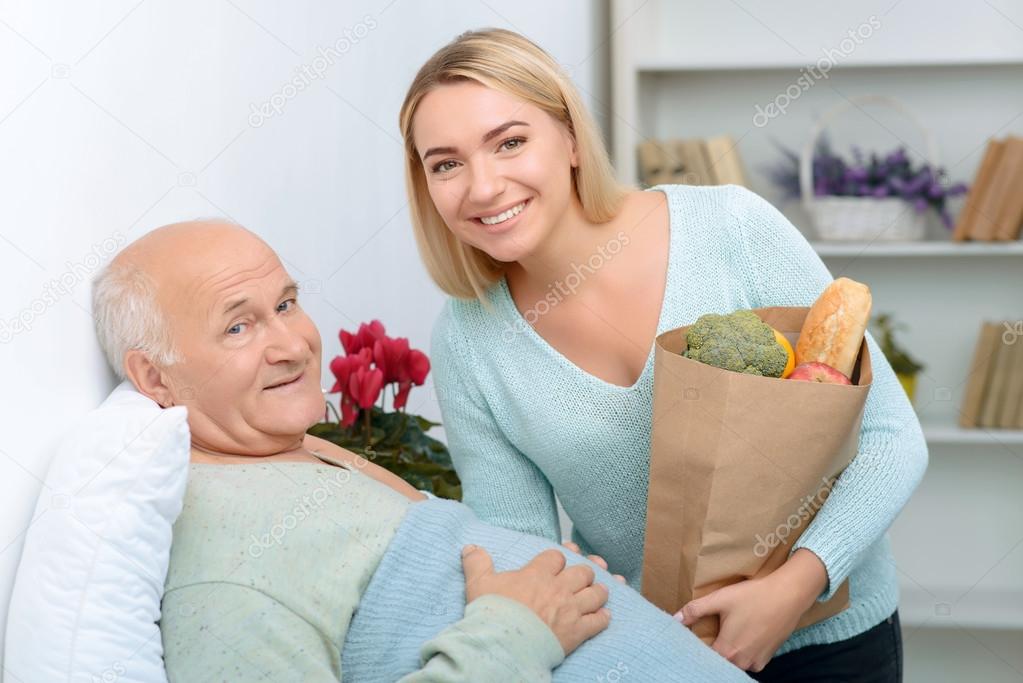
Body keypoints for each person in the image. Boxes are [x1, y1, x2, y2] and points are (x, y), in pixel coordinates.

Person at [401, 28, 926, 680]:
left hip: (834, 640)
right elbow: (523, 546)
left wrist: (794, 584)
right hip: (659, 657)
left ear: (568, 138)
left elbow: (889, 436)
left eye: (510, 142)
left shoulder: (730, 228)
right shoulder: (467, 340)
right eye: (445, 163)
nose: (482, 187)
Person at [91, 219, 750, 681]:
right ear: (153, 376)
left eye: (286, 303)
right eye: (238, 325)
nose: (292, 344)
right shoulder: (226, 570)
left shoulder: (283, 454)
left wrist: (549, 577)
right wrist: (518, 629)